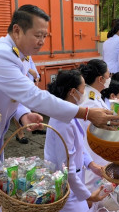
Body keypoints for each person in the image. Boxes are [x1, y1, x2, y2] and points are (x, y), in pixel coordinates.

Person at [0, 5, 119, 212]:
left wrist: (23, 114)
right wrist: (85, 113)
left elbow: (14, 94)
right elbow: (33, 95)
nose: (41, 41)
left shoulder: (19, 55)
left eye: (45, 36)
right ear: (17, 30)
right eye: (37, 35)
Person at [45, 69, 107, 212]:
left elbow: (79, 145)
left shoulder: (70, 113)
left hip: (75, 183)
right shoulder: (63, 122)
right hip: (66, 188)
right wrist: (89, 196)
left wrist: (92, 165)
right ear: (73, 92)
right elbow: (66, 168)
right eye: (83, 88)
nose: (85, 91)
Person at [79, 59, 111, 190]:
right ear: (100, 79)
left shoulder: (91, 94)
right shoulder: (91, 101)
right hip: (92, 154)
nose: (110, 78)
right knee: (92, 190)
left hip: (93, 153)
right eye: (108, 75)